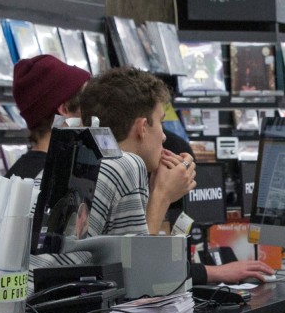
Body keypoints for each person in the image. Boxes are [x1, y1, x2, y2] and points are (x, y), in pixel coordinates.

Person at [50, 68, 272, 285]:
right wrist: (162, 196)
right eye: (161, 122)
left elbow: (113, 264)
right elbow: (134, 279)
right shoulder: (126, 164)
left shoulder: (75, 161)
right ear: (143, 127)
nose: (165, 135)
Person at [8, 54, 90, 181]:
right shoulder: (59, 180)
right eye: (87, 100)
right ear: (65, 109)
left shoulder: (13, 177)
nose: (94, 107)